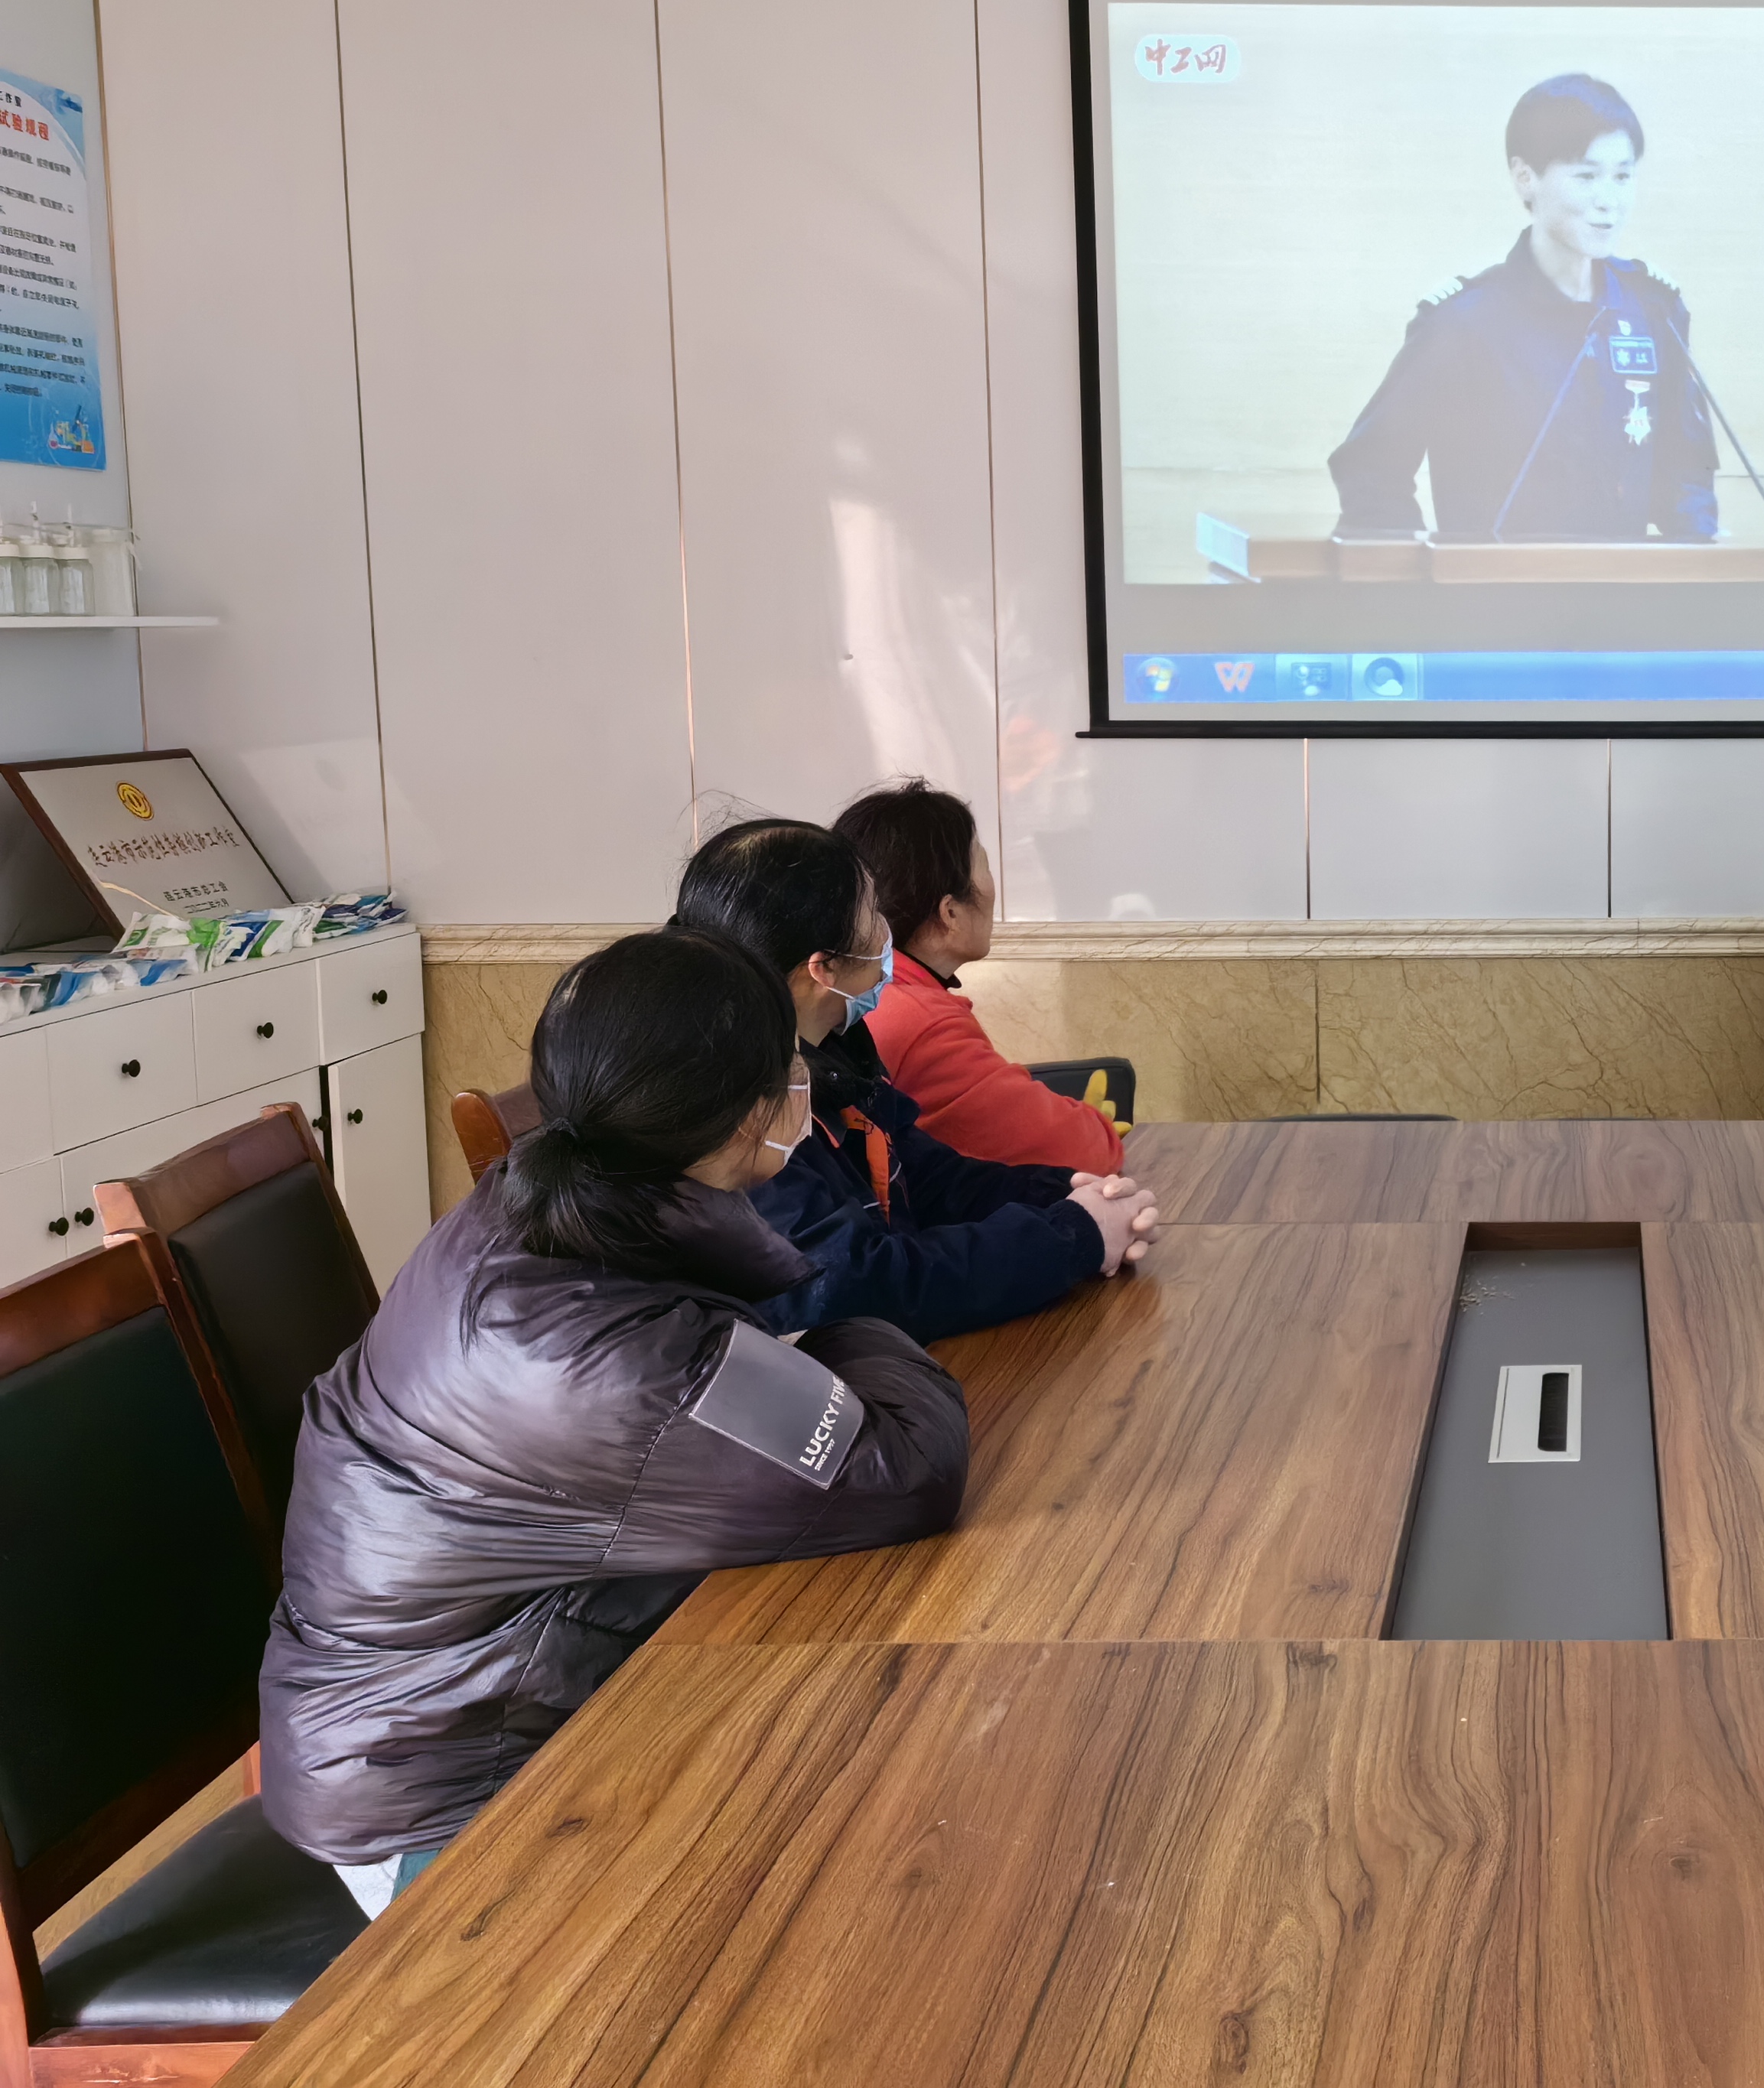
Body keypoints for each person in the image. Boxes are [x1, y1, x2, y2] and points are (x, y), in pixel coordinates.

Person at [260, 930, 971, 1905]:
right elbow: (904, 1466)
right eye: (791, 1067)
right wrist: (855, 1333)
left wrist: (804, 1354)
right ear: (743, 1120)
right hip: (446, 1801)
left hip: (469, 1708)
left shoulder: (554, 1205)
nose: (806, 1081)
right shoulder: (596, 1357)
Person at [672, 818, 1157, 1342]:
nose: (887, 931)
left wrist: (1068, 1195)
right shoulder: (738, 1112)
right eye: (872, 912)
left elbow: (926, 1177)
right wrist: (1071, 1235)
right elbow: (854, 1285)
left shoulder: (835, 1051)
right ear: (823, 969)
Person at [1329, 73, 1720, 546]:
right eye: (1586, 176)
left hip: (1622, 589)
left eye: (1622, 176)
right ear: (1525, 178)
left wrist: (1696, 566)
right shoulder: (1462, 323)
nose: (1609, 202)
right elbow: (1371, 471)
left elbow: (1686, 474)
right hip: (1499, 590)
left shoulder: (1653, 311)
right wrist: (1427, 574)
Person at [834, 779, 1127, 1178]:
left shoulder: (863, 994)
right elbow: (1085, 1152)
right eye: (985, 866)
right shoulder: (921, 1022)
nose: (993, 888)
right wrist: (1092, 1124)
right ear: (949, 913)